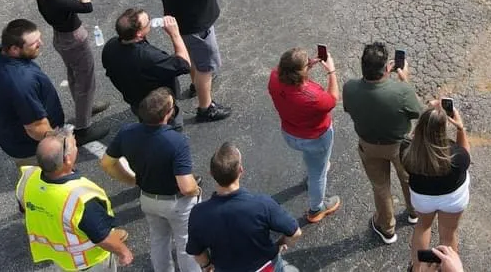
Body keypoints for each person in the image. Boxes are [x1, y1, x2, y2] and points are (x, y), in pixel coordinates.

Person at [98, 89, 199, 272]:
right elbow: (186, 186)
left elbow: (107, 163)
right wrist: (195, 190)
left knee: (159, 239)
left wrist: (132, 180)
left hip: (148, 199)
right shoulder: (176, 142)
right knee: (186, 243)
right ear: (168, 113)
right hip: (176, 203)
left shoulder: (127, 132)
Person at [16, 126, 135, 270]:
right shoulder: (81, 197)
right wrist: (123, 252)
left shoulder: (29, 177)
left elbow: (24, 207)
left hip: (59, 258)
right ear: (67, 159)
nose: (76, 147)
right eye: (74, 145)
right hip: (88, 263)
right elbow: (102, 237)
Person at [342, 41, 424, 244]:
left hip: (369, 145)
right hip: (399, 146)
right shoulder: (400, 91)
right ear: (387, 68)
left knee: (380, 187)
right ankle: (414, 212)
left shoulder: (349, 88)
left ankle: (387, 228)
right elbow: (418, 112)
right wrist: (405, 81)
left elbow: (348, 109)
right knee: (408, 179)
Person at [152, 0, 232, 123]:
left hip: (181, 24)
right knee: (206, 67)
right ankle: (206, 107)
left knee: (194, 58)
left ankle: (196, 85)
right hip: (198, 27)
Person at [187, 142, 302, 272]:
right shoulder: (262, 204)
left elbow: (197, 252)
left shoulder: (199, 214)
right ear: (240, 170)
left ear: (211, 174)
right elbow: (295, 233)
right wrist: (279, 245)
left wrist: (207, 266)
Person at [32, 0, 109, 142]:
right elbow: (86, 6)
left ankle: (85, 107)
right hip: (74, 40)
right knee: (85, 81)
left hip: (61, 38)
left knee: (75, 76)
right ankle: (83, 128)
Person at [268, 47, 341, 224]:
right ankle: (316, 209)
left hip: (290, 134)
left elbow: (283, 72)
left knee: (314, 163)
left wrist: (306, 66)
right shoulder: (312, 97)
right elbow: (333, 99)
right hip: (315, 139)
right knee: (318, 174)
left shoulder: (274, 79)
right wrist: (331, 71)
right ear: (299, 73)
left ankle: (315, 170)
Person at [0, 19, 66, 166]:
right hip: (31, 147)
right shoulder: (22, 83)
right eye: (34, 43)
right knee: (47, 183)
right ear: (14, 49)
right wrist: (59, 142)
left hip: (7, 129)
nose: (41, 43)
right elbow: (35, 128)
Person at [404, 101, 472, 272]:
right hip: (453, 198)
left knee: (423, 226)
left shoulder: (406, 150)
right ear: (443, 130)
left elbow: (411, 140)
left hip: (422, 198)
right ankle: (448, 268)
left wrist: (424, 120)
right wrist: (460, 128)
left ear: (419, 129)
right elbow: (466, 154)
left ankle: (418, 268)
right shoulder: (456, 156)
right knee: (448, 233)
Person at [102, 9, 192, 126]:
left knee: (145, 121)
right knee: (170, 129)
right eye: (148, 21)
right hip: (158, 105)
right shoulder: (149, 57)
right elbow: (184, 64)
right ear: (138, 33)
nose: (151, 21)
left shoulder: (110, 46)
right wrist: (175, 34)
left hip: (134, 99)